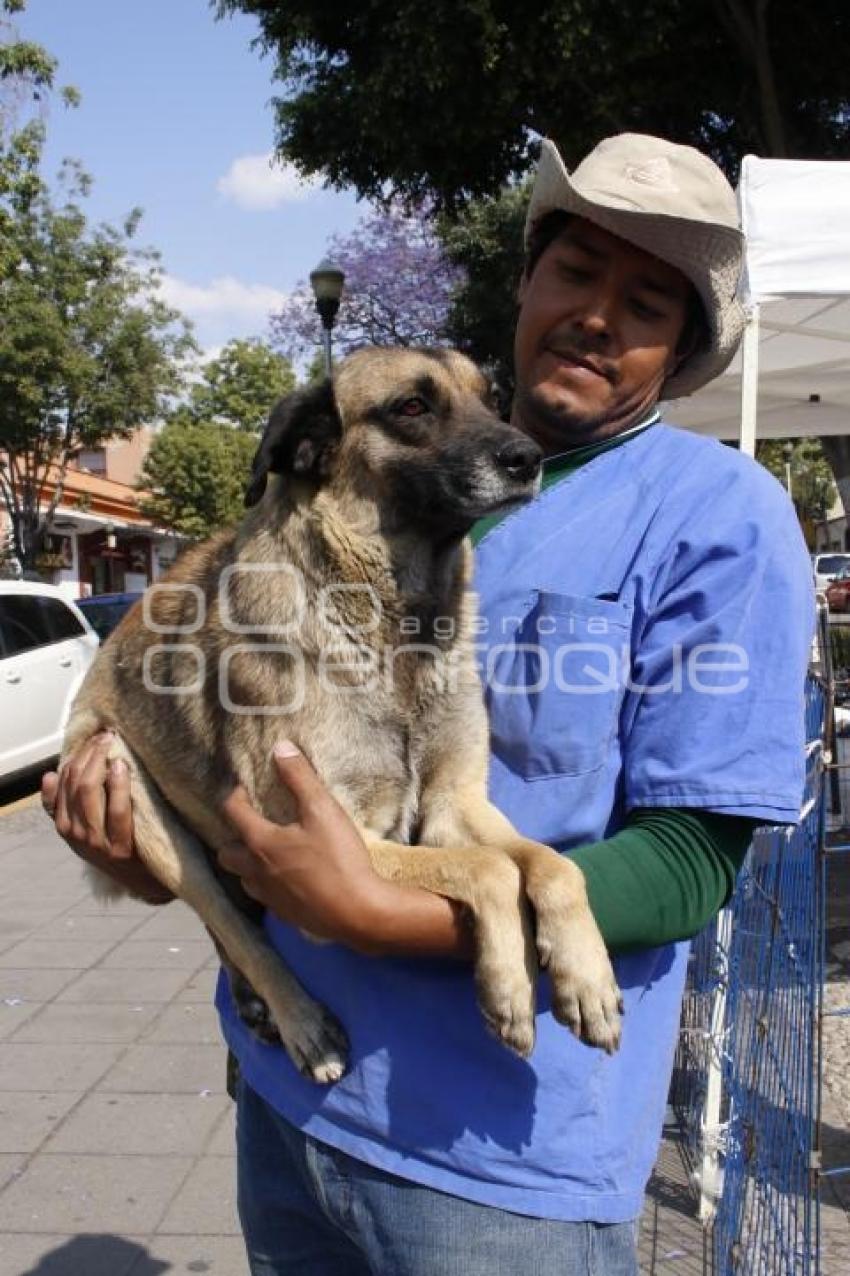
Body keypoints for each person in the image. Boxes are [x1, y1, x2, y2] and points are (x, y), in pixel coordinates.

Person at [43, 133, 814, 1276]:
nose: (598, 314)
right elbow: (243, 791)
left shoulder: (722, 517)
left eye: (647, 300)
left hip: (501, 1166)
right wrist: (129, 831)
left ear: (684, 349)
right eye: (576, 271)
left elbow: (695, 859)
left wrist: (372, 910)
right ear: (528, 284)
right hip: (291, 1112)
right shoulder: (360, 520)